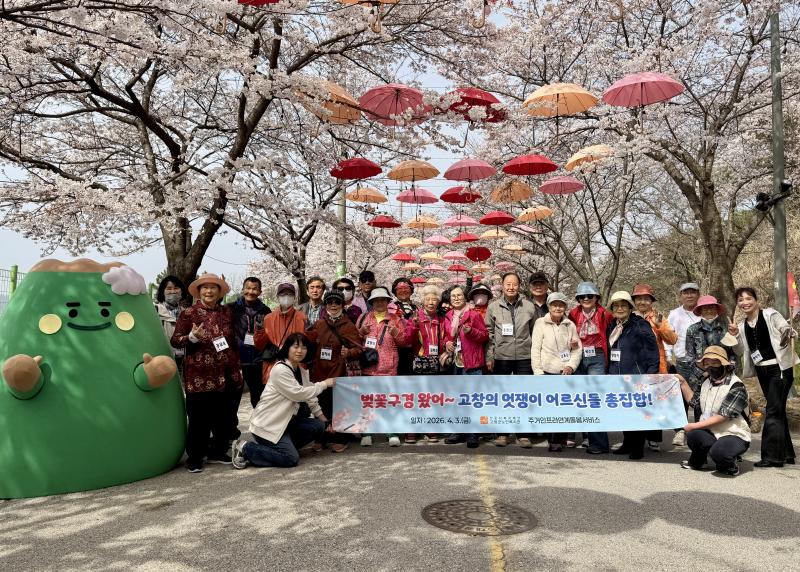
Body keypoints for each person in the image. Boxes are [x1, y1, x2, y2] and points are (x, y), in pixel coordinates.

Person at [171, 273, 243, 473]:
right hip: (199, 376)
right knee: (198, 419)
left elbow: (232, 342)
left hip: (225, 373)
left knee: (222, 417)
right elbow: (176, 340)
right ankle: (195, 456)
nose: (209, 291)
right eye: (205, 288)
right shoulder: (189, 313)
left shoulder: (226, 312)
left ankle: (218, 451)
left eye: (213, 288)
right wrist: (192, 337)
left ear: (219, 292)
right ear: (199, 291)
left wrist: (237, 368)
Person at [231, 333, 335, 469]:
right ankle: (244, 447)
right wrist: (325, 384)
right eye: (296, 347)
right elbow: (298, 394)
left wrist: (324, 421)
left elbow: (311, 398)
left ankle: (277, 450)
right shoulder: (280, 369)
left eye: (304, 348)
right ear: (287, 348)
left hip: (285, 423)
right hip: (268, 424)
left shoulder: (301, 370)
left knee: (318, 426)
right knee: (290, 458)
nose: (299, 351)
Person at [730, 287, 797, 467]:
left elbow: (784, 328)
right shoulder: (742, 325)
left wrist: (788, 331)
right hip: (762, 371)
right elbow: (740, 351)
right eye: (741, 300)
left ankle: (772, 457)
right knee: (778, 411)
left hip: (780, 368)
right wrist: (735, 336)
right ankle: (786, 454)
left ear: (756, 300)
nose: (745, 302)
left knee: (773, 411)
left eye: (748, 298)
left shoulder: (770, 314)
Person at [678, 346, 751, 476]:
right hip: (711, 431)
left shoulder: (736, 385)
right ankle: (699, 461)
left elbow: (723, 416)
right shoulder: (706, 381)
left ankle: (729, 464)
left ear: (724, 364)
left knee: (720, 453)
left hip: (733, 433)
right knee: (694, 436)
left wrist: (693, 425)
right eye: (707, 363)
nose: (711, 366)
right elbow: (694, 402)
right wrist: (683, 383)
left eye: (715, 362)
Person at [485, 272, 537, 447]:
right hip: (502, 356)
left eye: (514, 284)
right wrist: (490, 356)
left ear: (519, 285)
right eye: (508, 284)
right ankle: (502, 433)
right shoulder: (493, 307)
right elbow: (489, 334)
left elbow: (534, 331)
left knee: (524, 395)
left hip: (524, 356)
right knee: (503, 396)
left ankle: (523, 434)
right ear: (502, 285)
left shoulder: (529, 306)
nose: (511, 287)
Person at [605, 291, 660, 460]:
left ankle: (637, 446)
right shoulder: (612, 325)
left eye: (623, 305)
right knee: (624, 411)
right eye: (616, 306)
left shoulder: (640, 324)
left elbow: (652, 349)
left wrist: (651, 371)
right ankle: (627, 442)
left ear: (630, 308)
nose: (620, 309)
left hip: (636, 374)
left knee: (637, 411)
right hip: (617, 374)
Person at [307, 290, 363, 453]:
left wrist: (349, 352)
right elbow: (309, 345)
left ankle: (340, 438)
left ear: (342, 305)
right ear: (325, 305)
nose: (333, 305)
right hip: (320, 371)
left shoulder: (348, 325)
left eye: (337, 302)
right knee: (321, 405)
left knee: (339, 406)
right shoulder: (318, 324)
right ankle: (322, 438)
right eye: (330, 302)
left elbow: (359, 349)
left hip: (339, 371)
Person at [356, 286, 409, 447]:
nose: (379, 303)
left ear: (387, 302)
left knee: (389, 401)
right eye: (376, 300)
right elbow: (356, 341)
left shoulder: (396, 319)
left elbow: (404, 342)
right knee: (368, 401)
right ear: (372, 302)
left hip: (389, 367)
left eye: (382, 300)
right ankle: (367, 432)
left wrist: (396, 334)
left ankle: (391, 432)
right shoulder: (364, 317)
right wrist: (360, 332)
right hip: (369, 366)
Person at [531, 292, 582, 452]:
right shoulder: (540, 323)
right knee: (550, 407)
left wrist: (571, 366)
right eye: (554, 305)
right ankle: (553, 440)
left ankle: (561, 438)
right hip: (547, 371)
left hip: (564, 372)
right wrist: (538, 372)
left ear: (565, 307)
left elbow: (577, 349)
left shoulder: (570, 325)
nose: (558, 308)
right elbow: (535, 349)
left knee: (564, 407)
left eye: (561, 305)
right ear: (549, 306)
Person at [568, 281, 614, 454]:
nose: (586, 299)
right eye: (582, 296)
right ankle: (584, 435)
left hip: (597, 356)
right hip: (578, 356)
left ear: (597, 298)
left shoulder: (605, 314)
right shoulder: (573, 314)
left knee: (595, 398)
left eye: (590, 296)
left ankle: (599, 443)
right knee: (578, 396)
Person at [632, 283, 678, 451]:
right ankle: (636, 438)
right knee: (637, 401)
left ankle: (653, 438)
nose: (642, 302)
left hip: (656, 365)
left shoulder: (658, 318)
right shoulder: (630, 317)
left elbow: (672, 340)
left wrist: (659, 325)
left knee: (654, 402)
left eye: (646, 299)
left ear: (651, 301)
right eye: (639, 299)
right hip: (635, 366)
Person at [443, 285, 489, 448]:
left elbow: (484, 336)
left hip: (472, 362)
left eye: (459, 295)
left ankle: (473, 433)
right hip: (456, 361)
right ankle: (458, 430)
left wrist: (471, 332)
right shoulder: (448, 316)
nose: (456, 298)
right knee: (458, 397)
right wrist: (446, 343)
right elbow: (445, 337)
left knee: (473, 398)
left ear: (465, 297)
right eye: (453, 296)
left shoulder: (474, 314)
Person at [404, 285, 445, 443]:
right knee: (416, 397)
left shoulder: (441, 319)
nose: (431, 302)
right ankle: (412, 429)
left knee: (432, 397)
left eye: (434, 299)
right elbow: (407, 340)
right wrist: (414, 326)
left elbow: (447, 337)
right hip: (419, 363)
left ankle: (430, 427)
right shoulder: (415, 317)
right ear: (422, 301)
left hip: (436, 363)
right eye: (427, 299)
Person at [665, 282, 701, 446]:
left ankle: (701, 430)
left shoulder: (704, 311)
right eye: (686, 293)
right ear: (680, 296)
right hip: (682, 361)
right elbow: (667, 336)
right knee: (680, 399)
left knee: (702, 398)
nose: (689, 295)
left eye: (693, 292)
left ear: (698, 294)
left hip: (702, 362)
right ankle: (681, 431)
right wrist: (667, 356)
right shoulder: (674, 314)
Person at [228, 277, 271, 408]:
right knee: (232, 400)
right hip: (236, 362)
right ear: (242, 289)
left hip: (257, 362)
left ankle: (260, 427)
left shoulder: (265, 311)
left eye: (254, 289)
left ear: (260, 292)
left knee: (258, 400)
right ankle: (231, 428)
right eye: (248, 288)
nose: (251, 292)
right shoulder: (231, 308)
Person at [254, 282, 308, 382]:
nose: (286, 297)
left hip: (296, 366)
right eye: (283, 294)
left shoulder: (302, 317)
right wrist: (259, 330)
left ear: (294, 297)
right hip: (273, 366)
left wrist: (311, 333)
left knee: (296, 395)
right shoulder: (268, 318)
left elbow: (307, 344)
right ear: (278, 296)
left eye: (290, 294)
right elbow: (259, 345)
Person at [155, 275, 188, 367]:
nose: (173, 291)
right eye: (169, 289)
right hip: (162, 361)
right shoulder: (155, 311)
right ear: (163, 292)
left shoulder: (186, 313)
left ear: (181, 291)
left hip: (182, 362)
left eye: (176, 288)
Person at [392, 277, 417, 376]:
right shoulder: (391, 307)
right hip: (397, 348)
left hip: (413, 348)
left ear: (411, 290)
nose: (403, 291)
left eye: (406, 288)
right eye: (399, 289)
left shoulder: (417, 308)